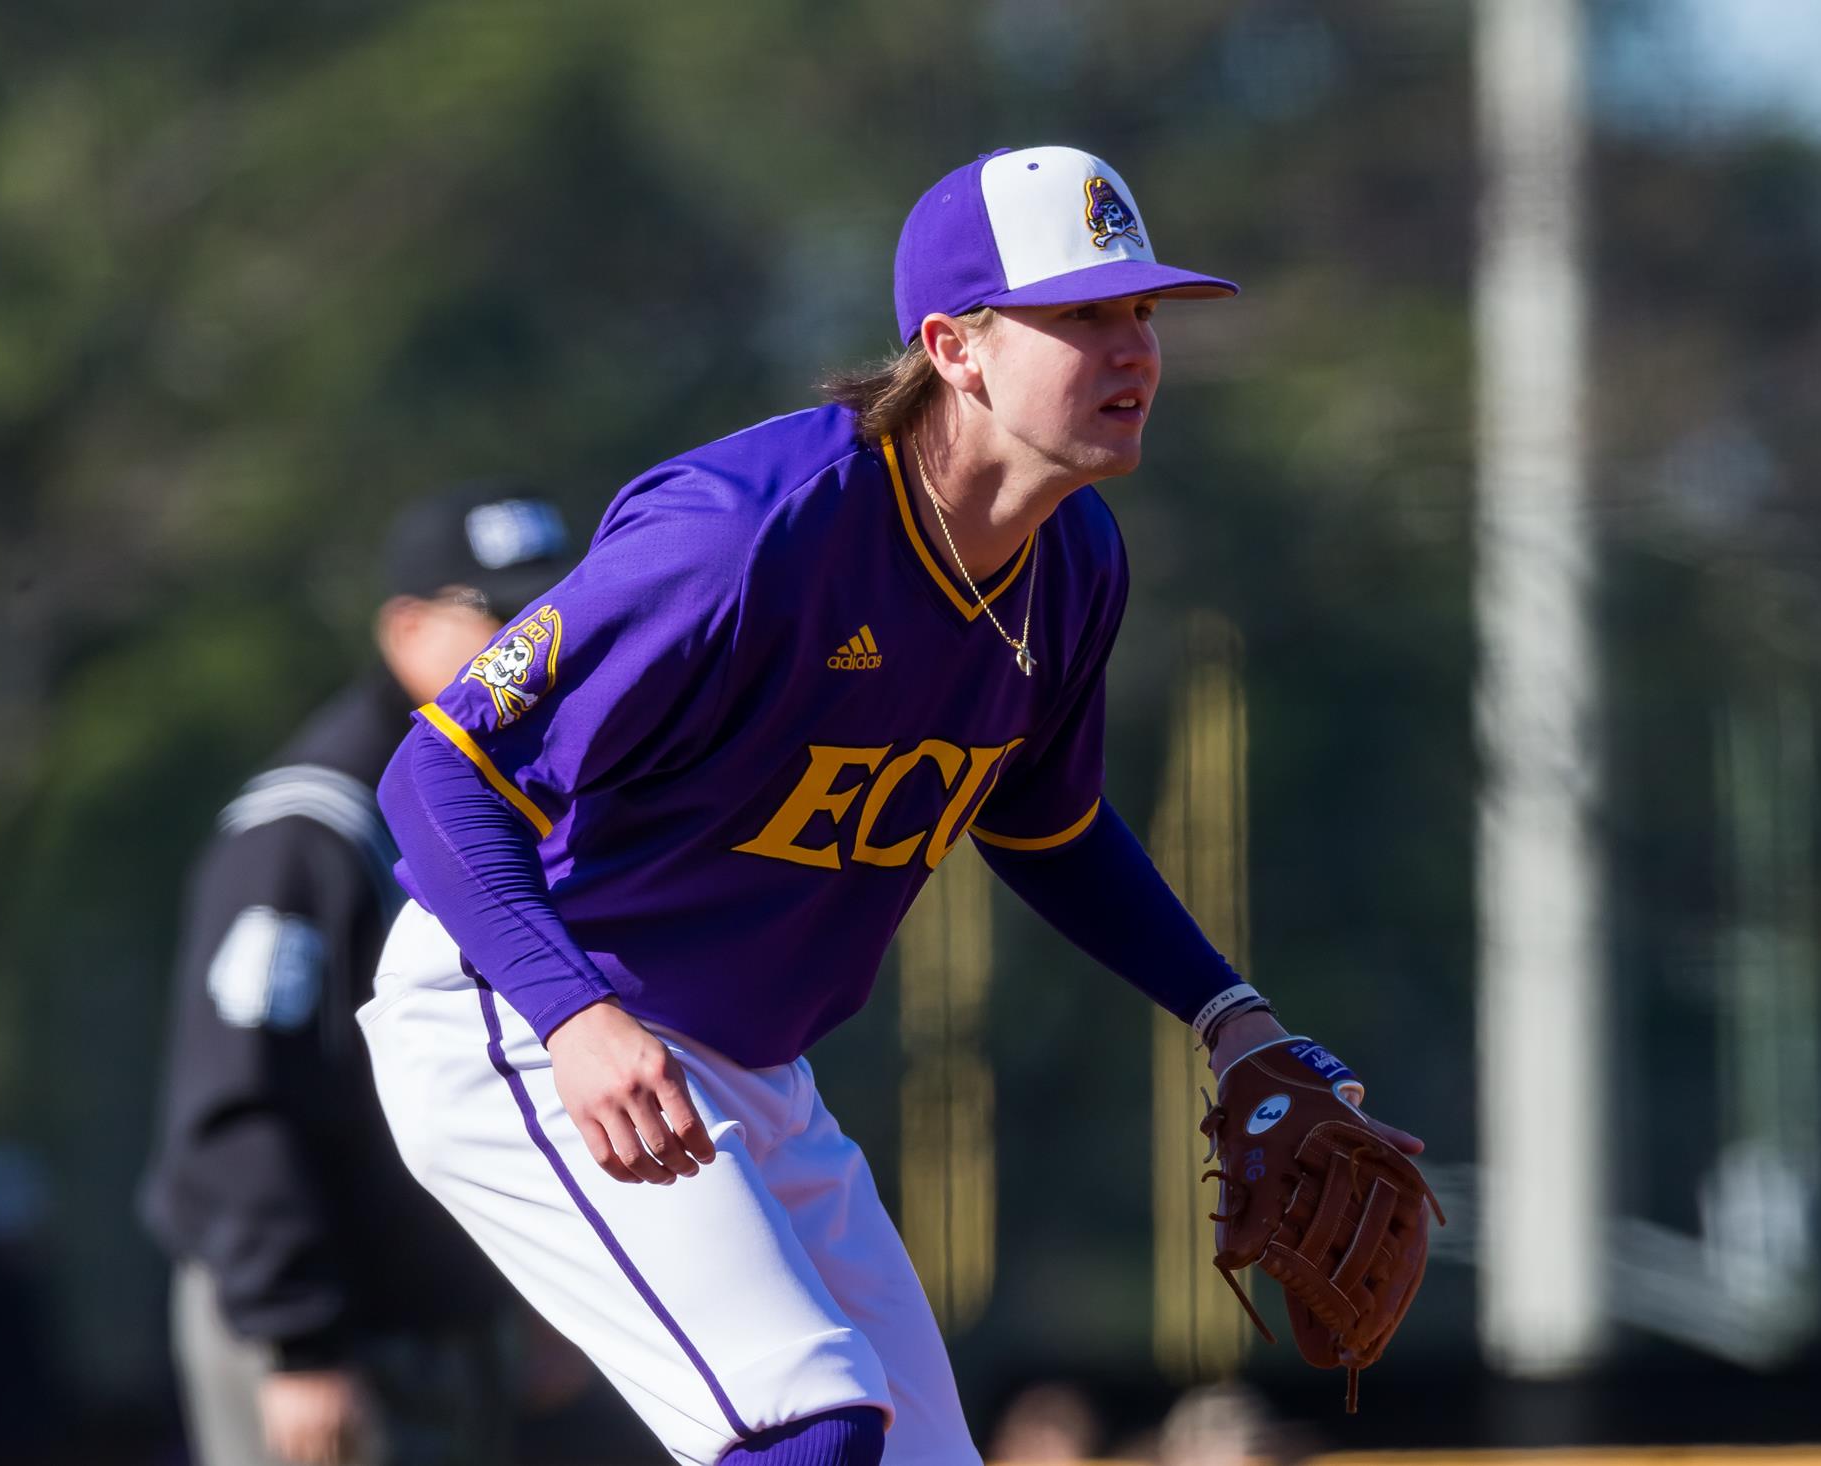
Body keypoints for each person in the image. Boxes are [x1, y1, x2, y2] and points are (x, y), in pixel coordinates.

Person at [361, 146, 1426, 1466]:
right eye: (1082, 314)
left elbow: (1048, 823)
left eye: (1144, 310)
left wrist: (1232, 1018)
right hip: (524, 1008)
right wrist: (572, 1016)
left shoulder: (1072, 560)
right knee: (807, 1422)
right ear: (955, 346)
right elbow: (439, 769)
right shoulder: (747, 533)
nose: (1134, 346)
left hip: (745, 1062)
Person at [141, 488, 575, 1466]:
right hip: (323, 1323)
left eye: (551, 613)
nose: (539, 648)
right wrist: (300, 1341)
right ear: (407, 627)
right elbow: (240, 1100)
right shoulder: (314, 825)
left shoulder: (508, 797)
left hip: (446, 1314)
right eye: (502, 619)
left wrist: (542, 1293)